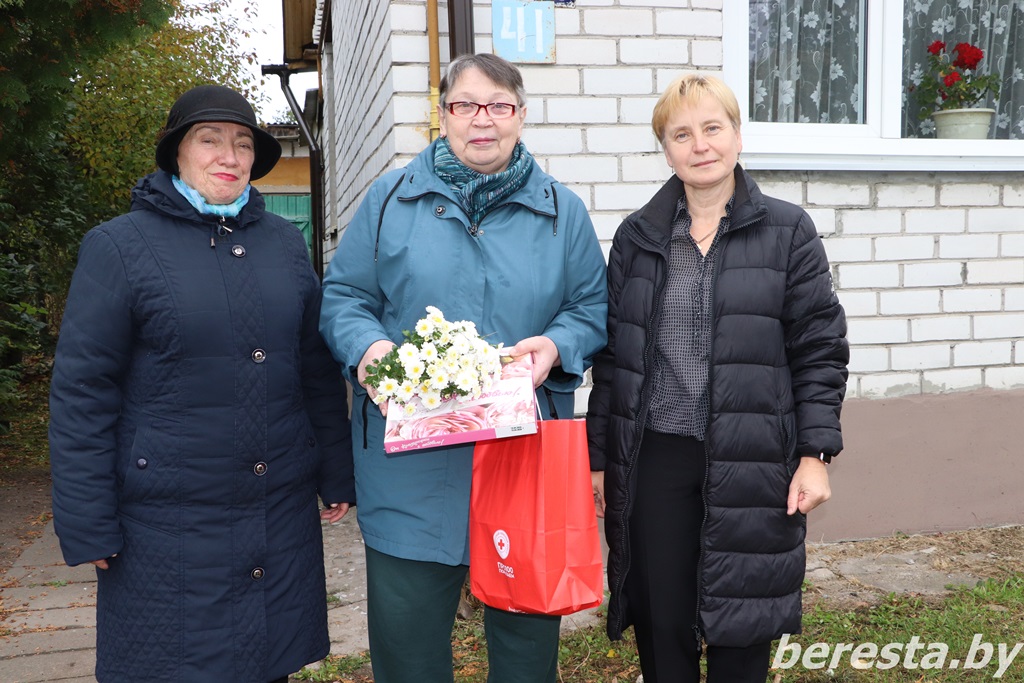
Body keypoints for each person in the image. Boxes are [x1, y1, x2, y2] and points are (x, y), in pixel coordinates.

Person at [48, 85, 355, 683]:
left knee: (268, 661)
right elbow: (84, 393)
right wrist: (88, 520)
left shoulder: (285, 246)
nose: (230, 155)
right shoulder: (119, 247)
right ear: (176, 153)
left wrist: (335, 472)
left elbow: (314, 371)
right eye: (209, 139)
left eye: (243, 143)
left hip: (277, 513)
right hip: (165, 526)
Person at [319, 52, 607, 683]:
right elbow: (344, 299)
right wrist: (369, 351)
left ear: (521, 117)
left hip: (525, 455)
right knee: (409, 649)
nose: (483, 120)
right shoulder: (390, 200)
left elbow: (591, 309)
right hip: (411, 469)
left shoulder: (563, 213)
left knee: (527, 650)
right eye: (465, 104)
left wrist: (556, 346)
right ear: (442, 115)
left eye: (499, 106)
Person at [586, 74, 849, 683]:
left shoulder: (788, 232)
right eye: (682, 133)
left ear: (736, 134)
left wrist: (815, 454)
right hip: (657, 454)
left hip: (756, 456)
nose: (700, 144)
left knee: (743, 622)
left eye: (712, 127)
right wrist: (601, 458)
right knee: (662, 619)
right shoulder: (637, 237)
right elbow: (613, 359)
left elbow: (819, 351)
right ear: (666, 147)